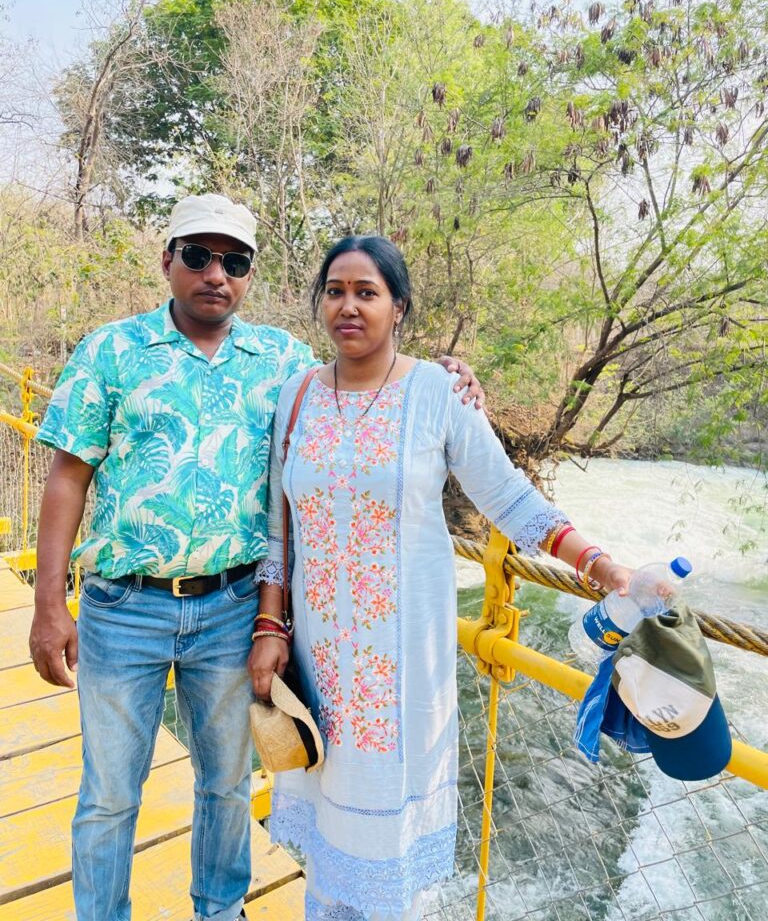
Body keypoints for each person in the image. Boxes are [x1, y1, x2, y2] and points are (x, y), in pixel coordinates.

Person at [28, 196, 482, 921]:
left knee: (227, 785)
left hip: (234, 608)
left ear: (249, 274)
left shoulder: (280, 362)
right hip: (123, 606)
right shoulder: (109, 351)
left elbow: (365, 372)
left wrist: (452, 382)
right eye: (199, 256)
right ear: (167, 259)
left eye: (234, 261)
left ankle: (220, 910)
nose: (216, 274)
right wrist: (49, 606)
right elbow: (68, 475)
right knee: (110, 793)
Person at [249, 235, 631, 921]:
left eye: (368, 293)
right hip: (317, 665)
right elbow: (279, 529)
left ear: (399, 307)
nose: (349, 306)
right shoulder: (296, 396)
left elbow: (510, 498)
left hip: (402, 676)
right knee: (329, 856)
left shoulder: (435, 393)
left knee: (391, 874)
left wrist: (597, 564)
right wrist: (270, 625)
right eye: (335, 291)